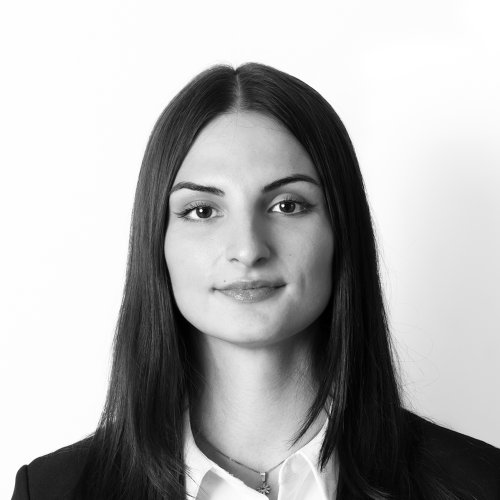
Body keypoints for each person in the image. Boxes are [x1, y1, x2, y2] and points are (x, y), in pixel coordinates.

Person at [12, 63, 500, 500]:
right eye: (202, 210)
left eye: (287, 205)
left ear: (341, 231)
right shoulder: (54, 490)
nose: (247, 249)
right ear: (156, 242)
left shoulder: (479, 483)